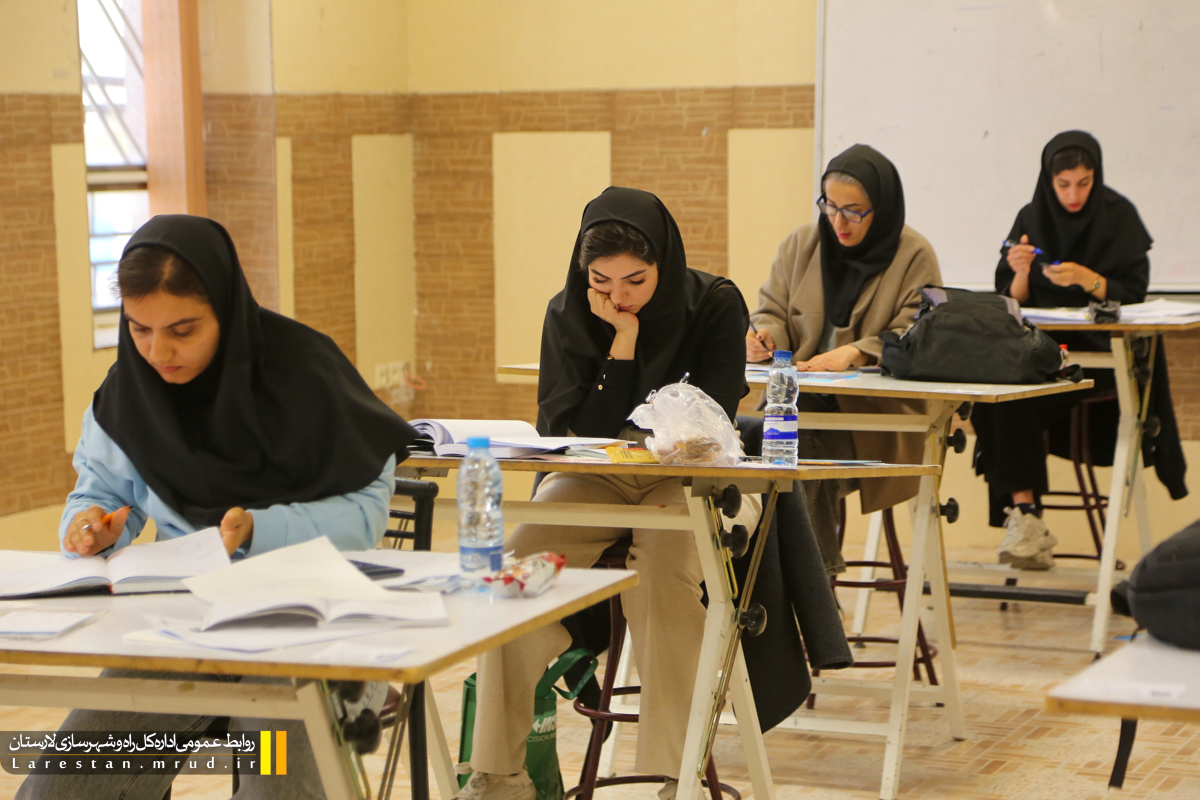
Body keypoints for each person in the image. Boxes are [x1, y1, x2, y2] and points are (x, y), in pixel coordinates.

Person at [18, 214, 417, 800]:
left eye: (182, 330)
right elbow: (101, 491)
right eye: (139, 329)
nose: (158, 351)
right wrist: (90, 527)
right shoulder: (130, 393)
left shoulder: (306, 373)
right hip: (182, 625)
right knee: (64, 788)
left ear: (226, 312)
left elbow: (365, 515)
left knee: (277, 778)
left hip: (311, 625)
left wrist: (260, 529)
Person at [456, 187, 752, 800]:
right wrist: (622, 341)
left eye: (635, 281)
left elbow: (716, 417)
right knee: (517, 573)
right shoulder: (569, 314)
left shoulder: (714, 304)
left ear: (663, 263)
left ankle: (677, 774)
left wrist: (665, 434)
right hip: (597, 475)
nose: (618, 296)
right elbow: (577, 432)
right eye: (602, 281)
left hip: (686, 476)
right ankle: (499, 771)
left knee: (663, 574)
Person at [972, 130, 1170, 568]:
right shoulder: (1031, 216)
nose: (1073, 195)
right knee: (1000, 397)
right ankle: (1026, 517)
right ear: (1049, 181)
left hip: (1102, 364)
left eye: (1083, 183)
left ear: (1096, 177)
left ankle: (1025, 521)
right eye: (1063, 185)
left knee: (1018, 396)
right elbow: (1012, 301)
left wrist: (1088, 279)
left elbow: (1135, 294)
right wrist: (1020, 271)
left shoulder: (1118, 216)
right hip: (1043, 357)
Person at [746, 144, 942, 572]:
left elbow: (920, 332)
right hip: (795, 406)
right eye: (830, 206)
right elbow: (770, 311)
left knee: (798, 453)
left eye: (854, 212)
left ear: (881, 210)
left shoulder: (913, 255)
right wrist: (765, 337)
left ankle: (813, 587)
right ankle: (774, 586)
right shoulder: (801, 245)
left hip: (872, 420)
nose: (838, 222)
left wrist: (855, 352)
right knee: (749, 445)